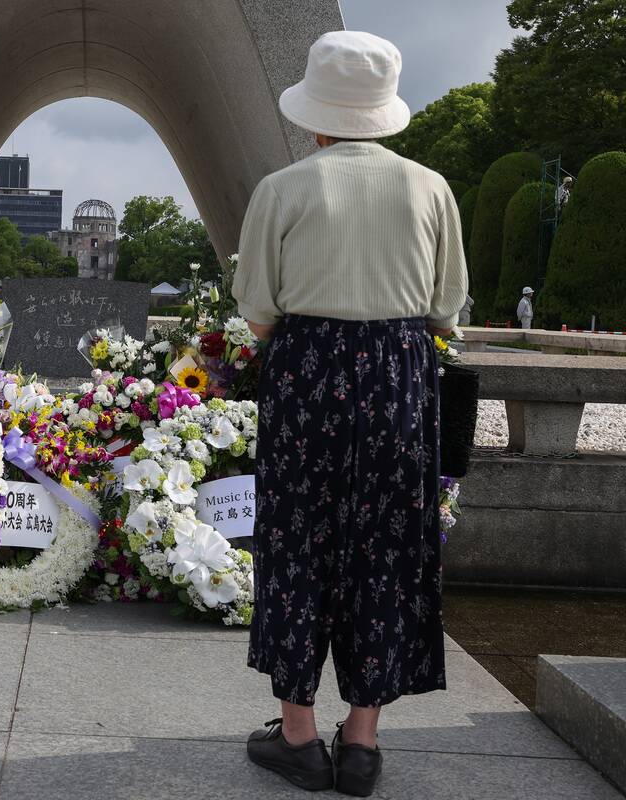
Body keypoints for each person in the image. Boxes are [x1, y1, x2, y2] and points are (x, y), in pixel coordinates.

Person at [232, 30, 467, 796]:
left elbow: (258, 311)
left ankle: (297, 734)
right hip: (401, 374)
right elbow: (446, 309)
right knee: (388, 544)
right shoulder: (430, 187)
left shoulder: (283, 188)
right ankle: (361, 742)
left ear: (316, 112)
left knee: (299, 539)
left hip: (307, 371)